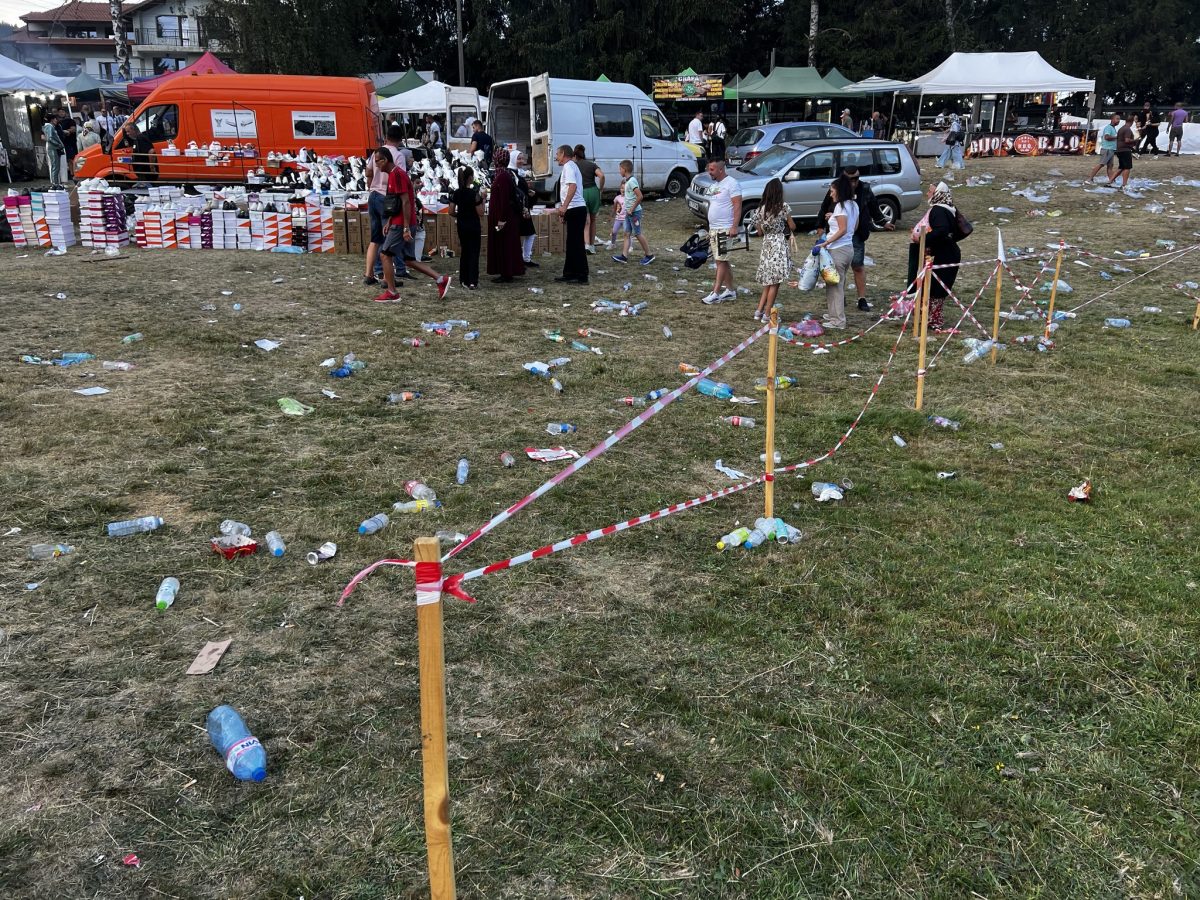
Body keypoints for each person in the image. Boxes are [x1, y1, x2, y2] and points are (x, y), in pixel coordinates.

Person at [373, 148, 452, 302]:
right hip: (401, 223)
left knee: (385, 255)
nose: (376, 165)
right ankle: (440, 279)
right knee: (409, 259)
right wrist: (390, 220)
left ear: (385, 160)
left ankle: (392, 292)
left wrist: (405, 227)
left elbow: (406, 202)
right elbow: (396, 202)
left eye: (377, 161)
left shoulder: (397, 174)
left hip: (401, 224)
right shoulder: (394, 174)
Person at [817, 165, 896, 312]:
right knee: (838, 268)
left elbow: (873, 206)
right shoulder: (836, 188)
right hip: (837, 236)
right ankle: (839, 298)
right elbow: (824, 207)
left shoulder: (864, 189)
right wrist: (820, 226)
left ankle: (861, 298)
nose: (854, 182)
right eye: (851, 179)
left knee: (857, 265)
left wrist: (883, 222)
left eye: (857, 178)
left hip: (856, 234)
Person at [909, 181, 962, 333]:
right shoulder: (948, 209)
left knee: (936, 289)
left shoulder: (939, 210)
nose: (927, 194)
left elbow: (941, 230)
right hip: (944, 253)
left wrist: (922, 238)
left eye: (930, 191)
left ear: (938, 194)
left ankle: (932, 319)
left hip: (943, 255)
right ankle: (928, 318)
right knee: (931, 288)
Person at [812, 173, 858, 330]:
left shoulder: (840, 206)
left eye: (832, 191)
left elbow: (843, 229)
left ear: (839, 191)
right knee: (836, 282)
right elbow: (853, 226)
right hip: (848, 248)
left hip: (838, 250)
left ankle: (838, 320)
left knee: (835, 285)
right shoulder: (853, 205)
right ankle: (834, 313)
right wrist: (834, 217)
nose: (830, 194)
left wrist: (826, 242)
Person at [363, 125, 405, 286]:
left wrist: (372, 183)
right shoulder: (398, 155)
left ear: (386, 137)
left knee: (375, 239)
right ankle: (387, 277)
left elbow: (368, 172)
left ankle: (369, 274)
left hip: (373, 195)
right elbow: (399, 177)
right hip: (386, 197)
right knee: (388, 237)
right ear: (400, 139)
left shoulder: (377, 153)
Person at [748, 178, 794, 322]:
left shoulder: (760, 209)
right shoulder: (783, 207)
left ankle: (759, 311)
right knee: (775, 281)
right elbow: (792, 226)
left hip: (767, 245)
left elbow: (759, 232)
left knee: (768, 281)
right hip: (779, 244)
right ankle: (767, 315)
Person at [701, 157, 741, 304]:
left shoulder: (732, 184)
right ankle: (730, 291)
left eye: (712, 169)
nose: (709, 172)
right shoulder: (715, 185)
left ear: (720, 169)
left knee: (721, 260)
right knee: (722, 261)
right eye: (708, 169)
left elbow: (737, 205)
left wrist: (734, 226)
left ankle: (716, 292)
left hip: (725, 229)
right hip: (714, 229)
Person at [486, 147, 525, 283]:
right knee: (504, 243)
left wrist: (501, 219)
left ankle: (507, 272)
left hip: (503, 218)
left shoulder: (502, 176)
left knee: (504, 244)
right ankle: (505, 271)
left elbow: (504, 199)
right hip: (504, 217)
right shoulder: (504, 174)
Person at [554, 144, 588, 284]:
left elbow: (572, 187)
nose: (556, 157)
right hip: (573, 209)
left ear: (563, 154)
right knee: (571, 243)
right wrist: (565, 211)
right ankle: (569, 273)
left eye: (557, 154)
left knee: (576, 243)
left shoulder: (569, 166)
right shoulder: (571, 166)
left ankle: (581, 275)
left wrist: (564, 207)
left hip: (576, 208)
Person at [612, 160, 655, 266]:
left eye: (620, 169)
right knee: (626, 233)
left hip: (634, 213)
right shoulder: (627, 181)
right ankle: (624, 256)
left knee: (638, 233)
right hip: (628, 213)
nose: (619, 171)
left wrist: (631, 209)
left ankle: (649, 255)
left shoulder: (631, 181)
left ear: (625, 169)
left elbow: (640, 196)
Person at [448, 168, 483, 290]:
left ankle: (463, 279)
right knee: (474, 252)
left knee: (465, 251)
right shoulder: (474, 194)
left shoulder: (456, 193)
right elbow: (481, 212)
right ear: (470, 177)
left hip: (462, 225)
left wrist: (460, 215)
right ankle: (472, 281)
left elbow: (451, 211)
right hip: (473, 225)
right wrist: (483, 199)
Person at [573, 144, 603, 252]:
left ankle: (586, 245)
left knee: (586, 221)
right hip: (594, 191)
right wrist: (601, 189)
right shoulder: (592, 164)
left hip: (582, 192)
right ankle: (592, 245)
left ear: (574, 155)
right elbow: (601, 176)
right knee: (593, 220)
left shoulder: (574, 166)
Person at [513, 152, 539, 267]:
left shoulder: (517, 172)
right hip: (519, 210)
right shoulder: (512, 173)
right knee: (524, 234)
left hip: (523, 209)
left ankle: (525, 258)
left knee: (529, 234)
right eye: (518, 158)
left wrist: (528, 193)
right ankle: (523, 259)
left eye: (522, 159)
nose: (521, 161)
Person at [1088, 113, 1121, 182]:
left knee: (1110, 166)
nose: (1118, 120)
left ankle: (1111, 180)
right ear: (1112, 119)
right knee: (1101, 164)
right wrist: (1117, 137)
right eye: (1117, 119)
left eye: (1119, 119)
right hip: (1107, 149)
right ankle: (1090, 178)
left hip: (1111, 149)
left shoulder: (1113, 128)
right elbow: (1107, 137)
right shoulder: (1108, 127)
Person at [1110, 113, 1136, 188]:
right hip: (1125, 150)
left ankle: (1110, 181)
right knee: (1127, 167)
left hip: (1119, 150)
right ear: (1132, 122)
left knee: (1121, 167)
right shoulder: (1127, 129)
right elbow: (1127, 140)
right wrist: (1135, 140)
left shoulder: (1121, 128)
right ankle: (1124, 184)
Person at [42, 112, 64, 187]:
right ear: (52, 120)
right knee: (55, 166)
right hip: (53, 148)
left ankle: (55, 183)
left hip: (53, 148)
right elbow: (50, 138)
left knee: (55, 166)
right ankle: (55, 183)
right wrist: (58, 144)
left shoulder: (49, 126)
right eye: (55, 119)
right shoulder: (49, 127)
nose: (56, 120)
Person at [57, 113, 77, 182]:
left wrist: (65, 131)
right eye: (60, 112)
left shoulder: (71, 121)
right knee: (68, 160)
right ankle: (72, 174)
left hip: (71, 144)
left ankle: (75, 173)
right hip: (63, 144)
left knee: (72, 159)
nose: (61, 113)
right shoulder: (59, 123)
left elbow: (73, 129)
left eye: (62, 111)